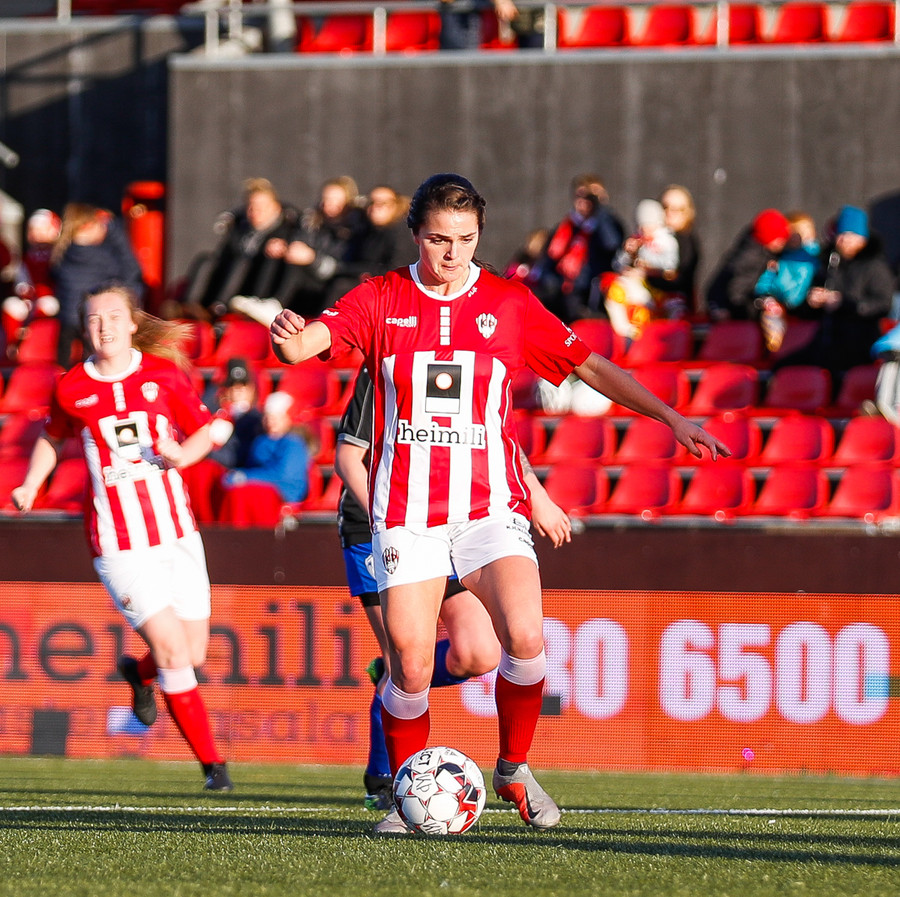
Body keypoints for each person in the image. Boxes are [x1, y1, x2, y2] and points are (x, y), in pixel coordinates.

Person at [270, 173, 729, 832]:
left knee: (525, 636)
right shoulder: (382, 298)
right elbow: (306, 343)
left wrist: (670, 417)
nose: (452, 253)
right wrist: (288, 339)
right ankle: (407, 792)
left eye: (465, 239)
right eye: (439, 239)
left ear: (479, 235)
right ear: (416, 235)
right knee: (411, 665)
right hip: (408, 515)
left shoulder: (509, 303)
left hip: (489, 508)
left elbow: (590, 365)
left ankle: (513, 767)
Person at [10, 282, 233, 792]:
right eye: (94, 319)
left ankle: (139, 673)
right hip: (119, 543)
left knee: (193, 653)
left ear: (133, 323)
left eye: (113, 316)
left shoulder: (163, 374)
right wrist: (30, 482)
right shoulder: (71, 387)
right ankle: (213, 768)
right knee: (174, 652)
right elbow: (52, 436)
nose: (104, 326)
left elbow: (206, 428)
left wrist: (183, 455)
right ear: (84, 329)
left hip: (177, 532)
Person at [334, 365, 571, 817]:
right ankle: (385, 781)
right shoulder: (386, 363)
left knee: (478, 653)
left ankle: (387, 677)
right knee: (408, 664)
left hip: (452, 520)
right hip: (382, 525)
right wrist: (390, 521)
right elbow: (349, 457)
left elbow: (496, 435)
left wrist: (537, 495)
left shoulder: (470, 357)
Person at [780, 204, 896, 378]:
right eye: (841, 234)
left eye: (850, 235)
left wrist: (843, 303)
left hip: (859, 344)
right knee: (782, 369)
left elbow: (882, 305)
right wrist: (812, 302)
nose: (843, 240)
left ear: (862, 238)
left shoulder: (875, 267)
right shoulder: (830, 263)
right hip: (825, 341)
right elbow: (806, 311)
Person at [180, 177, 300, 322]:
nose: (255, 212)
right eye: (250, 207)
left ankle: (220, 307)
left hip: (257, 285)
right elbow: (223, 254)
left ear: (276, 208)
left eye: (261, 207)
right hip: (232, 280)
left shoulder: (286, 232)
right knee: (205, 259)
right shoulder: (239, 228)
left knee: (242, 262)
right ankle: (190, 305)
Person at [51, 203, 144, 368]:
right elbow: (132, 269)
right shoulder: (102, 258)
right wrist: (114, 231)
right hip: (94, 319)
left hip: (67, 322)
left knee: (64, 370)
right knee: (95, 367)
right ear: (88, 226)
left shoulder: (63, 253)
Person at [528, 173, 625, 323]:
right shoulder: (566, 227)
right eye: (580, 196)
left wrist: (601, 210)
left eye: (590, 198)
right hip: (563, 295)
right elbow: (548, 260)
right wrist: (552, 284)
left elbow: (611, 245)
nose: (584, 202)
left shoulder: (607, 223)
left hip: (592, 297)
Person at [604, 198, 680, 343]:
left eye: (649, 224)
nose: (645, 228)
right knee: (615, 290)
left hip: (659, 289)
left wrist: (646, 267)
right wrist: (628, 253)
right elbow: (617, 265)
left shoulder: (667, 241)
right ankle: (624, 332)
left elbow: (671, 269)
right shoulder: (637, 238)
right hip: (637, 287)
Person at [220, 390, 310, 506]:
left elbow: (283, 475)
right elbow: (250, 465)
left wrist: (245, 477)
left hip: (284, 493)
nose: (270, 422)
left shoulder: (294, 443)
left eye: (275, 418)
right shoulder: (260, 441)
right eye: (267, 417)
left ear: (286, 418)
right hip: (259, 489)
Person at [705, 208, 791, 322]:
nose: (783, 243)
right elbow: (736, 295)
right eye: (780, 240)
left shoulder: (760, 251)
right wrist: (758, 308)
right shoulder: (751, 258)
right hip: (731, 309)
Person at [753, 210, 820, 352]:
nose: (800, 237)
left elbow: (797, 293)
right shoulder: (778, 257)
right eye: (794, 232)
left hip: (804, 309)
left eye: (805, 232)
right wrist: (766, 297)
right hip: (781, 305)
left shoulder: (814, 258)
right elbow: (764, 284)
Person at [2, 208, 61, 348]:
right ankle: (14, 346)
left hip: (52, 299)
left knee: (47, 304)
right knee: (11, 305)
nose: (36, 234)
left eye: (41, 230)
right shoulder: (27, 258)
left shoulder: (59, 255)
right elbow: (21, 279)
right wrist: (24, 289)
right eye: (33, 230)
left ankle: (36, 340)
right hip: (30, 299)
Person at [655, 185, 701, 316]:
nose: (669, 213)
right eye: (665, 207)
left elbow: (678, 279)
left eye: (676, 209)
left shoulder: (687, 242)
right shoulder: (649, 237)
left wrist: (648, 272)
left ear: (687, 212)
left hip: (675, 309)